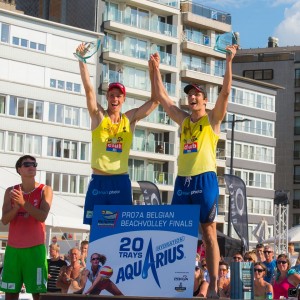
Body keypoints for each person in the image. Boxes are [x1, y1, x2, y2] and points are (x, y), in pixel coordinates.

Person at [150, 44, 238, 298]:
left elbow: (226, 91)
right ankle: (180, 283)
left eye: (197, 94)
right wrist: (155, 69)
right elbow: (163, 98)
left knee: (209, 232)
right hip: (183, 181)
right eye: (190, 94)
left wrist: (229, 60)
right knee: (180, 233)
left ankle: (210, 286)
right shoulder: (183, 120)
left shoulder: (212, 120)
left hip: (205, 179)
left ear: (204, 99)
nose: (193, 97)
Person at [76, 43, 159, 225]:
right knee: (96, 229)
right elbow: (89, 90)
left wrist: (154, 72)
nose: (115, 99)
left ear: (123, 99)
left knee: (119, 228)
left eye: (118, 96)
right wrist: (82, 61)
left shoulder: (128, 119)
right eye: (112, 95)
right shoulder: (99, 116)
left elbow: (154, 101)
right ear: (107, 97)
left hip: (120, 181)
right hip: (99, 181)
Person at [0, 155, 53, 300]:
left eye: (34, 164)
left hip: (35, 250)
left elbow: (42, 216)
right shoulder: (11, 191)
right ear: (19, 169)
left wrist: (23, 203)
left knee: (38, 293)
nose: (32, 166)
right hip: (13, 250)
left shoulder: (45, 189)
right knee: (10, 293)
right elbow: (4, 220)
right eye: (27, 164)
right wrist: (16, 208)